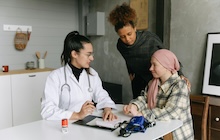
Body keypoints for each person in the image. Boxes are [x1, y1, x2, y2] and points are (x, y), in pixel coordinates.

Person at [108, 3, 189, 99]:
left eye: (129, 34)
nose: (127, 39)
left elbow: (167, 56)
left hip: (156, 77)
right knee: (138, 105)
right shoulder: (120, 46)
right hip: (138, 80)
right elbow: (128, 59)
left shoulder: (149, 38)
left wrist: (181, 75)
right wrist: (130, 72)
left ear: (135, 28)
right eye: (122, 36)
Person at [41, 31, 117, 121]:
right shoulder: (55, 76)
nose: (92, 58)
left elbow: (102, 95)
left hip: (87, 122)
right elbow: (47, 111)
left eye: (92, 54)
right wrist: (77, 115)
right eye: (88, 54)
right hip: (65, 125)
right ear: (74, 54)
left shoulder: (92, 74)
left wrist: (107, 109)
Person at [123, 49, 194, 140]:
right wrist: (134, 106)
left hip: (175, 136)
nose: (150, 68)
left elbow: (171, 112)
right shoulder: (152, 83)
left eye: (154, 65)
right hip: (157, 131)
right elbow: (143, 98)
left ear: (166, 66)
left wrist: (141, 114)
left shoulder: (180, 85)